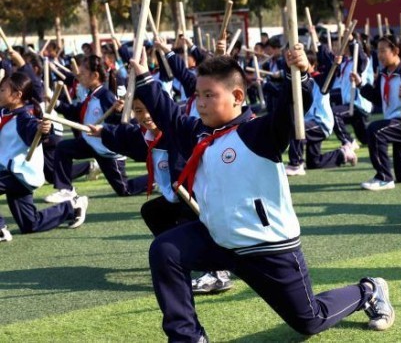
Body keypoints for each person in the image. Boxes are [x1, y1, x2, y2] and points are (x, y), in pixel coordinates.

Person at [130, 46, 394, 341]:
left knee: (310, 320)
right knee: (165, 250)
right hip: (220, 240)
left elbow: (289, 109)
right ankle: (187, 338)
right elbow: (168, 115)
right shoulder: (199, 134)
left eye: (209, 95)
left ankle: (369, 291)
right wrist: (143, 78)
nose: (200, 103)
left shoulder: (259, 133)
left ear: (238, 97)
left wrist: (301, 75)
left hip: (268, 248)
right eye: (198, 94)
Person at [87, 97, 233, 294]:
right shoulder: (146, 136)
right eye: (138, 111)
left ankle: (218, 274)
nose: (145, 116)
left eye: (150, 110)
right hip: (177, 196)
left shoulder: (178, 132)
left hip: (200, 196)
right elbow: (128, 138)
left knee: (193, 223)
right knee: (153, 211)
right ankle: (179, 256)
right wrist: (103, 132)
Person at [45, 55, 147, 203]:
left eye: (83, 74)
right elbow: (76, 111)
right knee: (63, 148)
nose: (79, 77)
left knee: (125, 190)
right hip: (91, 143)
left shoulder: (106, 96)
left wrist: (118, 111)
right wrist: (56, 103)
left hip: (106, 149)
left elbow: (119, 124)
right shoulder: (92, 95)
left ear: (95, 75)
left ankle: (154, 178)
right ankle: (66, 190)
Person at [0, 72, 87, 242]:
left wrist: (43, 129)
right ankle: (72, 207)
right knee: (30, 224)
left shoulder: (24, 118)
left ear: (17, 95)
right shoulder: (6, 112)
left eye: (2, 90)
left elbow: (36, 132)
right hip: (12, 174)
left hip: (19, 173)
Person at [353, 34, 401, 191]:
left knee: (375, 130)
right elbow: (377, 98)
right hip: (395, 123)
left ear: (396, 51)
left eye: (383, 51)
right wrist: (361, 85)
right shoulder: (383, 75)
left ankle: (383, 177)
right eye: (378, 51)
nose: (379, 55)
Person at [286, 53, 357, 175]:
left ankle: (295, 164)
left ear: (313, 65)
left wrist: (334, 65)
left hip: (321, 122)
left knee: (296, 128)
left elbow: (329, 77)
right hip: (310, 123)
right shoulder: (300, 81)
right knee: (314, 162)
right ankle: (343, 154)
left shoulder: (319, 80)